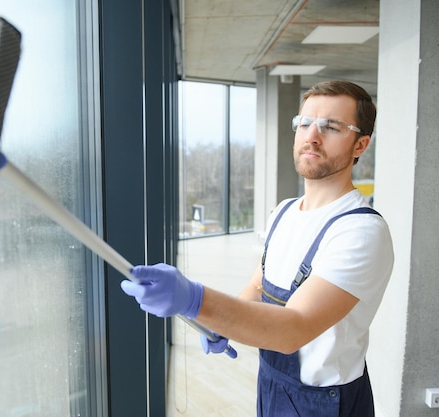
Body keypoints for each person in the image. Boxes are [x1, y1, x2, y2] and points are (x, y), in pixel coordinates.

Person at [121, 80, 394, 417]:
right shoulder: (283, 212)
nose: (312, 135)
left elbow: (293, 328)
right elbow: (259, 285)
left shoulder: (360, 230)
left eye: (331, 127)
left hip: (324, 403)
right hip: (271, 383)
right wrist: (220, 323)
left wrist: (196, 300)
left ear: (360, 145)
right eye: (305, 122)